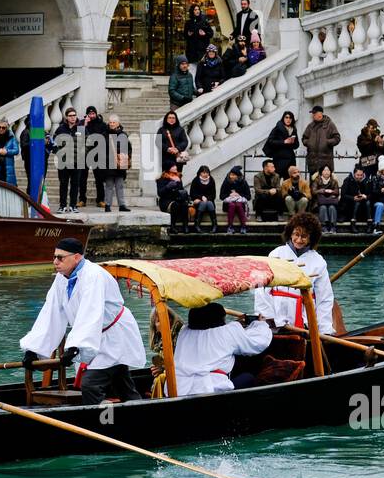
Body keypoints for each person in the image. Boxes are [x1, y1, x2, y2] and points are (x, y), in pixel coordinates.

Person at [20, 238, 145, 405]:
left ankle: (103, 422)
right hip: (94, 337)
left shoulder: (93, 275)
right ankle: (136, 412)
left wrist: (75, 347)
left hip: (113, 337)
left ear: (77, 257)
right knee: (120, 381)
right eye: (54, 257)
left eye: (60, 257)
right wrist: (34, 349)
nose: (55, 262)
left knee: (91, 385)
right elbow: (51, 313)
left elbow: (90, 312)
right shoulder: (61, 278)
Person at [254, 211, 336, 336]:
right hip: (277, 320)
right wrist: (268, 319)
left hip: (305, 321)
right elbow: (262, 290)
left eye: (304, 236)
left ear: (311, 238)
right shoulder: (276, 255)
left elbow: (324, 298)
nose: (298, 240)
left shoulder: (318, 261)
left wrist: (324, 330)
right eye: (296, 235)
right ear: (290, 233)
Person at [173, 303, 274, 397]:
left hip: (178, 389)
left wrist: (236, 324)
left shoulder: (184, 333)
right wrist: (261, 324)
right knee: (249, 378)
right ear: (220, 320)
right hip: (208, 390)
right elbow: (258, 342)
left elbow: (213, 333)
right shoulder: (227, 332)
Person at [53, 106, 85, 213]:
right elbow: (54, 144)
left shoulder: (81, 129)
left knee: (75, 184)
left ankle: (73, 206)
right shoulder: (60, 129)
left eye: (74, 115)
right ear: (66, 117)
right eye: (70, 116)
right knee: (63, 184)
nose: (72, 117)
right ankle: (62, 206)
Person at [102, 114, 131, 213]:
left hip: (120, 164)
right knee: (109, 185)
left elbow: (128, 148)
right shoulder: (104, 134)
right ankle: (107, 205)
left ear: (118, 123)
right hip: (108, 164)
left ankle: (122, 205)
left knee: (120, 185)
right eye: (110, 122)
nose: (112, 124)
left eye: (114, 122)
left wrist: (126, 157)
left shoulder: (123, 134)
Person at [303, 105, 341, 179]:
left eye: (314, 113)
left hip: (325, 164)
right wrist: (309, 143)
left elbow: (337, 138)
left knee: (325, 186)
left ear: (320, 114)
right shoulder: (310, 126)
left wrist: (327, 142)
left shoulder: (330, 125)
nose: (313, 115)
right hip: (312, 163)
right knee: (313, 186)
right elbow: (304, 138)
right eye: (312, 114)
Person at [83, 106, 109, 208]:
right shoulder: (84, 124)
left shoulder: (102, 125)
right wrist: (85, 124)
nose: (92, 115)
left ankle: (100, 200)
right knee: (82, 178)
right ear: (87, 115)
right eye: (90, 114)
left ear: (96, 114)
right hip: (85, 153)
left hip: (98, 154)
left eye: (93, 113)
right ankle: (82, 199)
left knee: (99, 178)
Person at [263, 110, 300, 178]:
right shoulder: (277, 128)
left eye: (290, 118)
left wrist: (292, 142)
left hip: (290, 159)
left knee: (290, 181)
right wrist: (284, 142)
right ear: (283, 118)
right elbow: (270, 141)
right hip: (279, 159)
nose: (288, 119)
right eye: (286, 117)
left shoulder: (294, 129)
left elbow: (297, 145)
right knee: (277, 180)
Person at [156, 163, 190, 232]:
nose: (175, 167)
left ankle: (185, 226)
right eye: (173, 166)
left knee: (184, 204)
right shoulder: (162, 179)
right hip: (165, 201)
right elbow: (160, 193)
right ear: (168, 168)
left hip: (177, 199)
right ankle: (172, 226)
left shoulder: (178, 178)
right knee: (175, 205)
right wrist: (168, 187)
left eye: (175, 166)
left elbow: (181, 190)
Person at [339, 165, 372, 232]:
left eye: (361, 175)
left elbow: (372, 194)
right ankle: (353, 223)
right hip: (350, 205)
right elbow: (343, 195)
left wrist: (365, 196)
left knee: (368, 203)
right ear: (354, 174)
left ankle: (370, 224)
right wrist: (353, 198)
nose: (359, 177)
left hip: (363, 204)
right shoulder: (348, 180)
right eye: (357, 175)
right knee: (357, 203)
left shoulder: (367, 181)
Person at [157, 109, 190, 176]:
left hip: (177, 157)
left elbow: (185, 141)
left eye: (173, 118)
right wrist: (168, 149)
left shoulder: (180, 129)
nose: (171, 119)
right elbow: (157, 142)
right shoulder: (161, 130)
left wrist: (177, 149)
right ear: (166, 119)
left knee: (177, 178)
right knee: (166, 178)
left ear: (176, 119)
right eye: (169, 118)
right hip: (165, 158)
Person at [220, 165, 251, 234]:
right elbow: (221, 196)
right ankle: (230, 227)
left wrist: (239, 194)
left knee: (238, 205)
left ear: (238, 176)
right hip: (228, 204)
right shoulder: (226, 182)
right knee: (232, 205)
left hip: (240, 203)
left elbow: (248, 197)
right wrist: (229, 195)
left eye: (234, 175)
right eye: (231, 175)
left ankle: (243, 226)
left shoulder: (243, 182)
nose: (231, 176)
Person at [0, 119, 19, 185]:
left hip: (7, 168)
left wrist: (6, 152)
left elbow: (16, 150)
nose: (1, 129)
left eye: (3, 127)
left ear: (6, 128)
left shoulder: (11, 137)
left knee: (8, 189)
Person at [311, 165, 341, 233]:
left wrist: (332, 191)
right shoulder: (316, 180)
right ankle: (324, 226)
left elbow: (337, 192)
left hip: (331, 201)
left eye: (328, 170)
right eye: (324, 170)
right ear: (321, 172)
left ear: (330, 172)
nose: (326, 172)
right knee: (323, 207)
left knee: (332, 208)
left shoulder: (334, 181)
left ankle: (333, 226)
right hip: (319, 202)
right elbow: (313, 191)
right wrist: (323, 191)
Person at [189, 165, 218, 232]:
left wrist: (207, 198)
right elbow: (192, 194)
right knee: (203, 203)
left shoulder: (211, 180)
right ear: (200, 173)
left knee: (209, 203)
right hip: (198, 202)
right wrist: (201, 197)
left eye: (207, 172)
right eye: (203, 172)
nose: (205, 174)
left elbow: (213, 195)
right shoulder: (195, 180)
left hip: (209, 201)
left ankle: (214, 225)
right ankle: (196, 225)